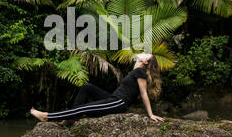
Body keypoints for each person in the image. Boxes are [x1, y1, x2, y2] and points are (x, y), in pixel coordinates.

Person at [30, 53, 165, 123]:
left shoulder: (140, 72)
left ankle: (47, 116)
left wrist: (151, 114)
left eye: (146, 54)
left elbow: (143, 93)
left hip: (118, 103)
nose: (143, 52)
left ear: (145, 62)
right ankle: (71, 118)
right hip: (113, 98)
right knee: (87, 86)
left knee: (84, 108)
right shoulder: (136, 71)